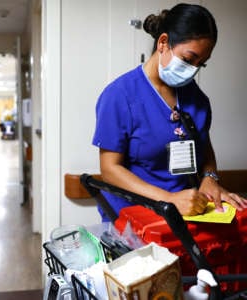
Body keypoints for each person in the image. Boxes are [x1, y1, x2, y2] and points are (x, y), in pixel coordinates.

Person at [92, 3, 247, 222]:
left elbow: (204, 148)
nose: (193, 70)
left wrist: (210, 178)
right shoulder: (120, 96)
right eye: (188, 59)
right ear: (163, 42)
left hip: (184, 215)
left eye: (200, 64)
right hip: (133, 218)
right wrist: (169, 199)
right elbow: (110, 169)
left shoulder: (197, 100)